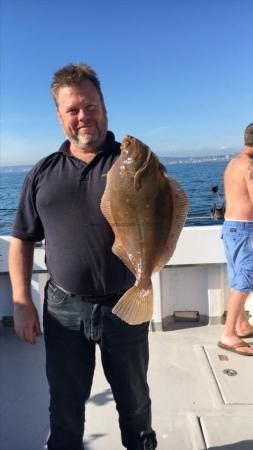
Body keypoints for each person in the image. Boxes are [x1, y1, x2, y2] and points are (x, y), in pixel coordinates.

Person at [8, 63, 158, 450]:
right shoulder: (42, 172)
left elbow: (162, 210)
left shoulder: (133, 163)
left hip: (124, 301)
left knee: (135, 403)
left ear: (104, 106)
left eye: (89, 106)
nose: (82, 116)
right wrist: (22, 301)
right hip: (61, 309)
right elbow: (22, 238)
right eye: (72, 110)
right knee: (65, 405)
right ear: (60, 117)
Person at [218, 123, 253, 356]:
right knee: (246, 278)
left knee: (237, 278)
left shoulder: (233, 162)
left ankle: (240, 324)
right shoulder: (250, 164)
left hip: (230, 227)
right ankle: (228, 334)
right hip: (247, 229)